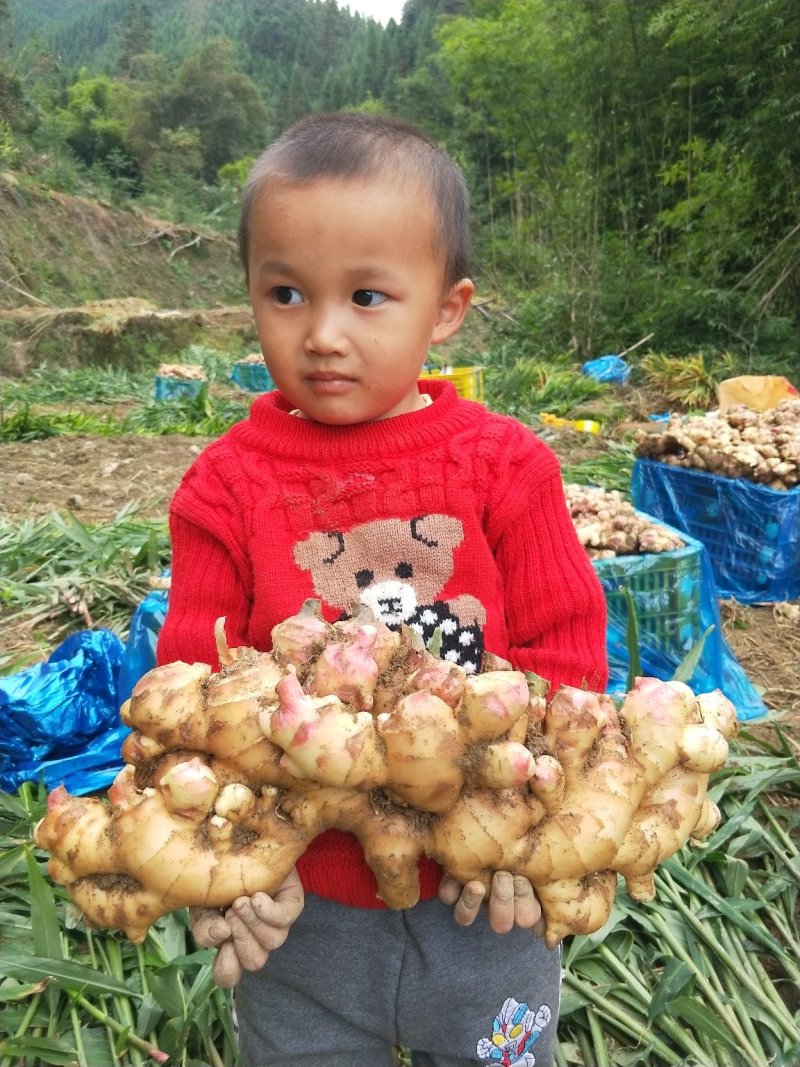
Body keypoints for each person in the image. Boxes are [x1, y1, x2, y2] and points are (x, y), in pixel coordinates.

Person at [157, 111, 608, 1067]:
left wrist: (532, 825)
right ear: (249, 293)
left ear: (447, 309)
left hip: (482, 899)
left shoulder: (505, 466)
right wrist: (226, 862)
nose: (322, 334)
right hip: (301, 914)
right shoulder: (222, 489)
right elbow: (191, 696)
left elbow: (567, 653)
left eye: (367, 296)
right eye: (286, 293)